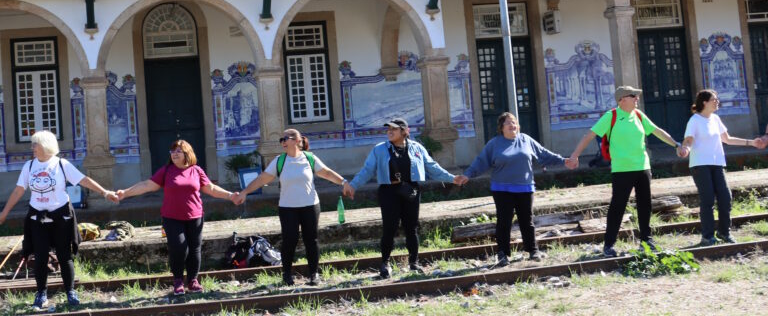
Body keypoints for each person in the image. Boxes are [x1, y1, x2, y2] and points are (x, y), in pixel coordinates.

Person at [0, 130, 119, 309]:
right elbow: (18, 191)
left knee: (64, 255)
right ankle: (41, 293)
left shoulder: (61, 164)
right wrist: (4, 213)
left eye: (35, 144)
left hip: (61, 215)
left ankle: (70, 292)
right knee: (40, 256)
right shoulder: (29, 166)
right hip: (38, 217)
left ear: (45, 146)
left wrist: (105, 192)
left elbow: (83, 180)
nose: (32, 148)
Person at [568, 86, 682, 257]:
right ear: (622, 99)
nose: (637, 98)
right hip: (622, 170)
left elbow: (657, 131)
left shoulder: (638, 115)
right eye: (633, 96)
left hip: (643, 167)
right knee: (618, 207)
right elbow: (589, 136)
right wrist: (574, 156)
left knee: (645, 205)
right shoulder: (611, 116)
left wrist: (676, 144)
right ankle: (609, 245)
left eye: (637, 96)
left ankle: (646, 240)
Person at [453, 113, 578, 266]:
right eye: (508, 123)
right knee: (504, 222)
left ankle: (533, 250)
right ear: (501, 128)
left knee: (527, 221)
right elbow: (481, 162)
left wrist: (563, 161)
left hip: (525, 188)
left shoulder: (525, 140)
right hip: (502, 189)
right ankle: (503, 254)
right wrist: (467, 175)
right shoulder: (494, 144)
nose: (512, 125)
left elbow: (543, 154)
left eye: (514, 122)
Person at [117, 140, 235, 295]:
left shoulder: (196, 170)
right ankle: (178, 280)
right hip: (171, 217)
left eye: (178, 151)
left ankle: (193, 281)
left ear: (187, 153)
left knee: (194, 249)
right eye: (172, 151)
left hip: (195, 217)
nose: (174, 154)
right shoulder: (166, 171)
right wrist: (124, 193)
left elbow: (211, 189)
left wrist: (231, 195)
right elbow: (146, 185)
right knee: (179, 248)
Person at [233, 129, 348, 286]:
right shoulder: (279, 161)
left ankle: (314, 274)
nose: (282, 142)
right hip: (288, 208)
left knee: (311, 240)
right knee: (289, 241)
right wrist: (245, 192)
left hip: (310, 206)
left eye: (284, 138)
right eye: (281, 139)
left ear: (296, 141)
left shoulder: (309, 158)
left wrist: (343, 182)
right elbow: (262, 178)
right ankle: (286, 274)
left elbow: (326, 173)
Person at [344, 118, 455, 277]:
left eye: (394, 129)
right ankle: (385, 263)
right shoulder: (380, 149)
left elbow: (432, 167)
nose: (389, 131)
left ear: (405, 131)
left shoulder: (417, 148)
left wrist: (452, 178)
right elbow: (367, 170)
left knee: (412, 227)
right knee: (390, 228)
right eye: (388, 129)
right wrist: (353, 185)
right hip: (389, 191)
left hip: (410, 191)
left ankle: (414, 263)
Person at [678, 89, 763, 246]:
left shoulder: (715, 119)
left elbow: (728, 139)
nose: (717, 102)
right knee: (708, 199)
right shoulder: (695, 120)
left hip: (717, 164)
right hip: (700, 165)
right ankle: (707, 236)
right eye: (714, 99)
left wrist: (751, 142)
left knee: (725, 197)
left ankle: (724, 232)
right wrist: (685, 150)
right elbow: (688, 141)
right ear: (704, 102)